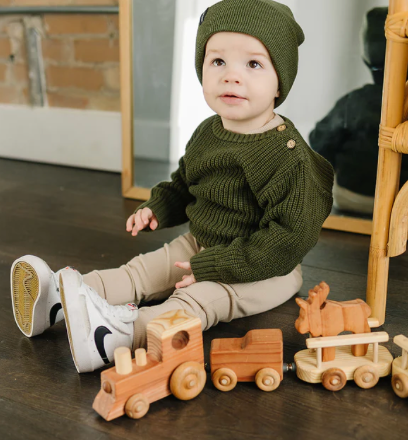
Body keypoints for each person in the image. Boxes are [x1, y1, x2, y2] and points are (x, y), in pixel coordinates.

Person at [10, 0, 334, 373]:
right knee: (141, 272)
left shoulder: (286, 155)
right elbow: (186, 182)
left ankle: (115, 335)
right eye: (218, 62)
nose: (231, 76)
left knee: (196, 302)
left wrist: (215, 267)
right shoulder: (209, 132)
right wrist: (158, 207)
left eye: (253, 64)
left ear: (281, 82)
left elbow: (288, 238)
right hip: (201, 243)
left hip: (262, 269)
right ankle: (60, 297)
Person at [309, 7, 408, 215]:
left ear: (366, 59)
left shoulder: (354, 101)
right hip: (401, 204)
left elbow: (320, 141)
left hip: (352, 196)